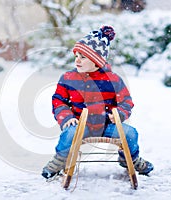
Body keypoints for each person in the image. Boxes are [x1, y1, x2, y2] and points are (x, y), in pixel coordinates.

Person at [41, 25, 153, 179]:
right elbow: (59, 101)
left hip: (108, 125)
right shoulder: (68, 78)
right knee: (68, 135)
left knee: (131, 134)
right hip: (80, 124)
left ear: (96, 61)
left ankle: (130, 159)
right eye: (76, 56)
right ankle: (60, 160)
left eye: (83, 57)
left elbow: (126, 101)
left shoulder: (113, 80)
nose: (77, 60)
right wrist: (67, 117)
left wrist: (119, 114)